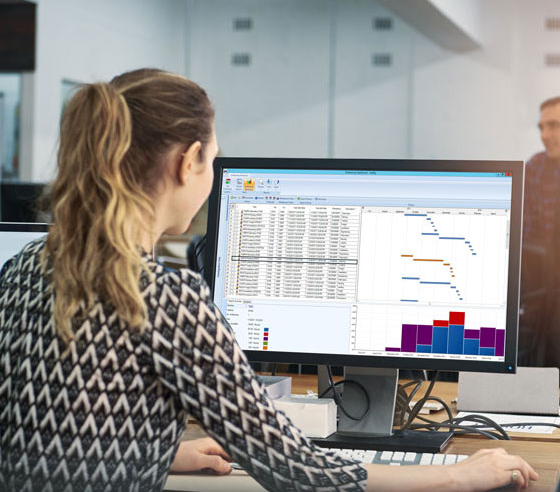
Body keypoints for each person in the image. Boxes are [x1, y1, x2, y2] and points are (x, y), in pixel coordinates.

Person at [0, 68, 537, 491]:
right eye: (213, 158)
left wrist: (161, 449)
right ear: (189, 162)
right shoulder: (166, 299)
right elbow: (302, 474)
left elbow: (46, 427)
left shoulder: (21, 270)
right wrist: (459, 474)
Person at [518, 96, 560, 368]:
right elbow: (526, 237)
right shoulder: (535, 168)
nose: (545, 135)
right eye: (541, 127)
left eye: (554, 126)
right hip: (542, 288)